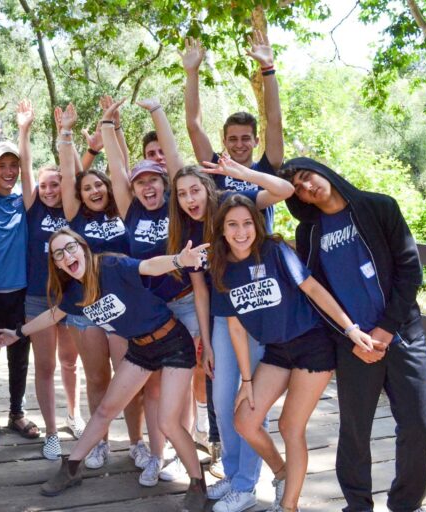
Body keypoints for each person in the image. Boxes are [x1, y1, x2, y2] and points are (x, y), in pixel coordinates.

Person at [0, 228, 212, 511]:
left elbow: (148, 266)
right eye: (58, 254)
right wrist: (19, 332)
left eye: (70, 248)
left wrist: (179, 261)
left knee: (168, 421)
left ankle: (197, 483)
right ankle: (71, 468)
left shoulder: (110, 266)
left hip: (172, 342)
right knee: (106, 409)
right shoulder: (75, 292)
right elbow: (54, 314)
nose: (67, 256)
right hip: (141, 348)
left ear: (82, 247)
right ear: (56, 264)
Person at [280, 157, 426, 512]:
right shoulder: (311, 233)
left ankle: (407, 504)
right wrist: (352, 338)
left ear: (323, 170)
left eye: (307, 177)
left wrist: (386, 328)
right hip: (354, 346)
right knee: (354, 432)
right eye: (299, 189)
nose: (307, 187)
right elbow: (317, 295)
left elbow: (410, 270)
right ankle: (358, 505)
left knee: (417, 426)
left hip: (403, 335)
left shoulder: (379, 207)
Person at [209, 194, 375, 512]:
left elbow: (311, 288)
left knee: (290, 426)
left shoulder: (274, 250)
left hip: (312, 345)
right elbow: (235, 329)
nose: (241, 231)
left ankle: (288, 506)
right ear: (222, 230)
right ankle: (282, 473)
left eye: (247, 223)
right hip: (277, 351)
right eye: (232, 225)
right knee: (244, 420)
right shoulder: (223, 269)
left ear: (256, 225)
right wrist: (246, 380)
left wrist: (350, 328)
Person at [166, 156, 294, 512]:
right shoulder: (187, 234)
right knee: (223, 405)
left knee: (248, 402)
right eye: (181, 194)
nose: (190, 199)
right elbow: (201, 292)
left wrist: (240, 174)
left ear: (208, 189)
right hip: (222, 321)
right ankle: (235, 475)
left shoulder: (233, 207)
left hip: (254, 316)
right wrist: (206, 343)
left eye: (195, 190)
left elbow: (284, 189)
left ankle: (246, 485)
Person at [100, 96, 212, 487]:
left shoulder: (176, 208)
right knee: (153, 384)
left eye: (153, 180)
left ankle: (184, 453)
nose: (147, 187)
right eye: (140, 181)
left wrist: (156, 112)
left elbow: (178, 159)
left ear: (166, 184)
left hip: (182, 305)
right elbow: (116, 167)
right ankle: (157, 454)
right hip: (148, 310)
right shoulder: (130, 209)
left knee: (180, 384)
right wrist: (108, 124)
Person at [57, 103, 151, 472]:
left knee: (128, 380)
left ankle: (137, 443)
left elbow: (120, 165)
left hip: (124, 310)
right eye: (87, 187)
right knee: (97, 377)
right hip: (85, 311)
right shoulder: (74, 215)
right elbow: (68, 175)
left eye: (99, 185)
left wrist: (112, 126)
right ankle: (98, 443)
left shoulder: (124, 212)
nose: (94, 189)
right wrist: (66, 133)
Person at [0, 98, 39, 444]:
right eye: (3, 164)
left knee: (19, 355)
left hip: (19, 294)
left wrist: (23, 130)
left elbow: (29, 171)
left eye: (14, 165)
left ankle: (17, 412)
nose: (10, 170)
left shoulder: (24, 201)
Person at [182, 32, 283, 232]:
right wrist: (192, 73)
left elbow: (275, 122)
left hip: (261, 255)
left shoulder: (266, 167)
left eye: (245, 138)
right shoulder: (214, 169)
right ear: (225, 141)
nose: (239, 144)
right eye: (233, 139)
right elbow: (194, 125)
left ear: (255, 141)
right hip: (225, 255)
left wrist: (268, 69)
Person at [23, 152, 84, 459]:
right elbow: (24, 168)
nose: (48, 190)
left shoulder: (73, 210)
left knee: (70, 362)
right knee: (45, 367)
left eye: (54, 185)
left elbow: (78, 174)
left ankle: (74, 416)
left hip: (70, 298)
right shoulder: (32, 209)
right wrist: (24, 132)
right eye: (43, 185)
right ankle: (51, 433)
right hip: (37, 298)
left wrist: (69, 140)